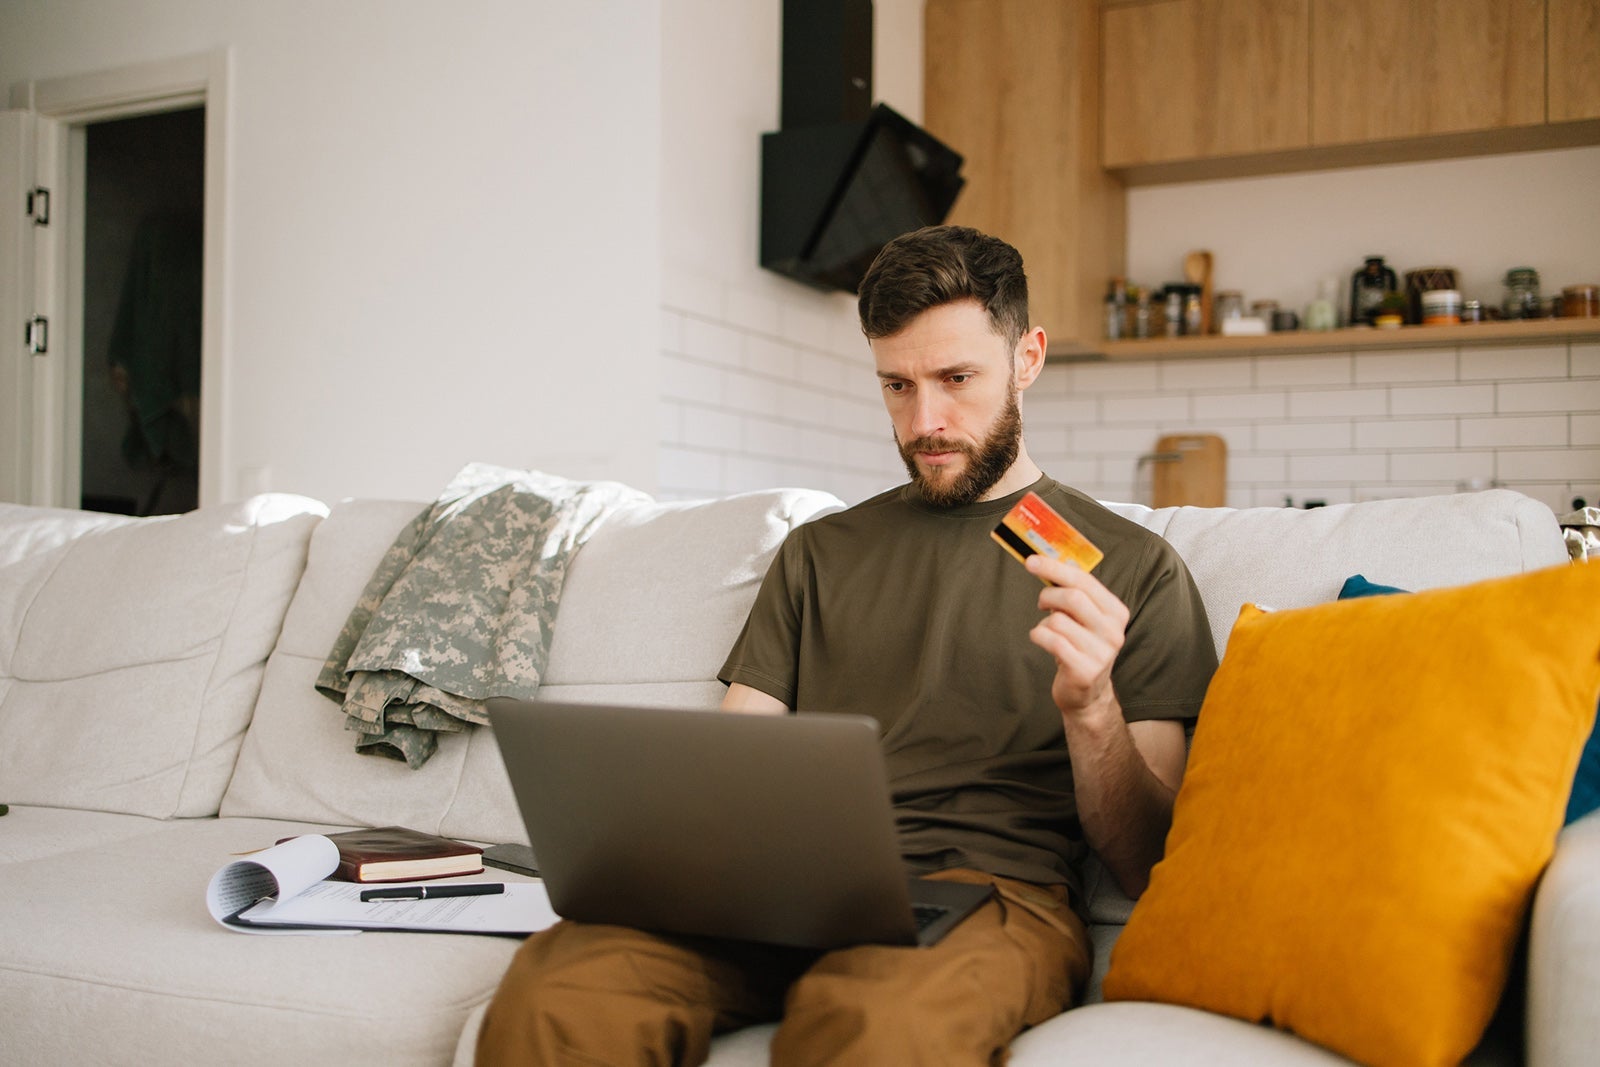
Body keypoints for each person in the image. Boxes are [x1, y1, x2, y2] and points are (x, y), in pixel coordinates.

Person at [477, 225, 1218, 1065]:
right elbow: (733, 762)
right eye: (896, 385)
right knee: (562, 987)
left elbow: (1147, 858)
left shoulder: (1130, 566)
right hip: (780, 892)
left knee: (878, 1025)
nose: (925, 421)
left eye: (956, 379)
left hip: (985, 896)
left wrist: (1092, 709)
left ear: (1028, 357)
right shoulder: (821, 552)